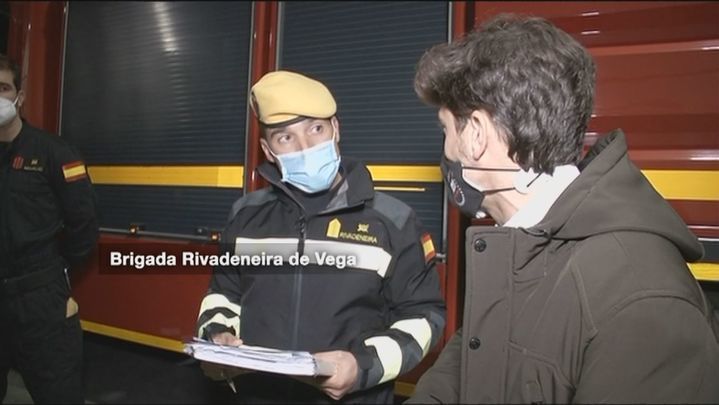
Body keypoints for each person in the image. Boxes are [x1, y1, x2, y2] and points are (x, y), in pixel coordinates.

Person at [407, 14, 719, 404]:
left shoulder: (643, 300)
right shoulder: (515, 252)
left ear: (476, 135)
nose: (446, 149)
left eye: (446, 129)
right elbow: (456, 383)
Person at [195, 70, 446, 403]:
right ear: (268, 150)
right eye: (285, 137)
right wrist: (217, 334)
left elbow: (424, 316)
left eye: (315, 129)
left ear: (335, 129)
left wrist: (363, 366)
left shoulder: (393, 222)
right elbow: (223, 294)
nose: (305, 147)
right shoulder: (245, 216)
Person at [0, 54, 99, 403]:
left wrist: (55, 274)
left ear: (20, 95)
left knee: (58, 394)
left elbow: (84, 226)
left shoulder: (54, 153)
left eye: (3, 88)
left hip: (40, 301)